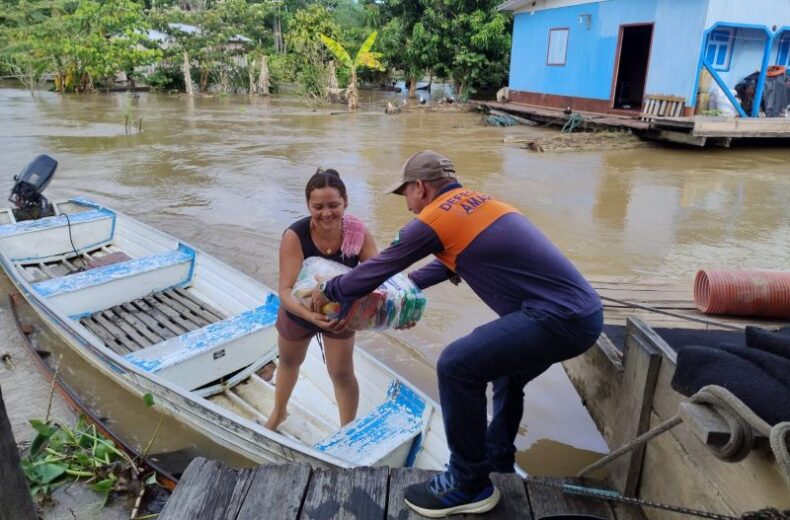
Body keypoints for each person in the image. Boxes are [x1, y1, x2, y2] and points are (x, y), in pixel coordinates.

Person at [311, 151, 603, 517]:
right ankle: (497, 462)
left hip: (556, 319)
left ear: (420, 187)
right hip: (585, 317)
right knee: (506, 371)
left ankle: (467, 483)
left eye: (407, 196)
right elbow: (440, 265)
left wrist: (330, 290)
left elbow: (378, 268)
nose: (409, 207)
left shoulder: (435, 217)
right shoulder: (482, 205)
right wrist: (404, 291)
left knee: (456, 365)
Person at [265, 168, 378, 431]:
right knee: (289, 362)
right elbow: (285, 290)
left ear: (346, 202)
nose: (326, 213)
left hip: (341, 316)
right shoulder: (295, 235)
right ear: (308, 205)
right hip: (298, 311)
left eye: (333, 205)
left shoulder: (358, 233)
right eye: (318, 206)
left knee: (341, 373)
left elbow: (378, 277)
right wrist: (310, 315)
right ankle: (278, 414)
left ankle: (347, 429)